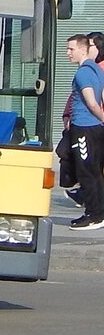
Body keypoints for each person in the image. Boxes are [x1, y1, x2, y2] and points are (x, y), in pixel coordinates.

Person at [64, 34, 104, 230]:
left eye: (71, 49)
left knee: (86, 172)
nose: (68, 53)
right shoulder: (97, 69)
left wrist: (102, 118)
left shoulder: (83, 73)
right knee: (95, 172)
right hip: (95, 128)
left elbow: (92, 103)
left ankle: (94, 216)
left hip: (84, 128)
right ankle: (98, 213)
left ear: (82, 49)